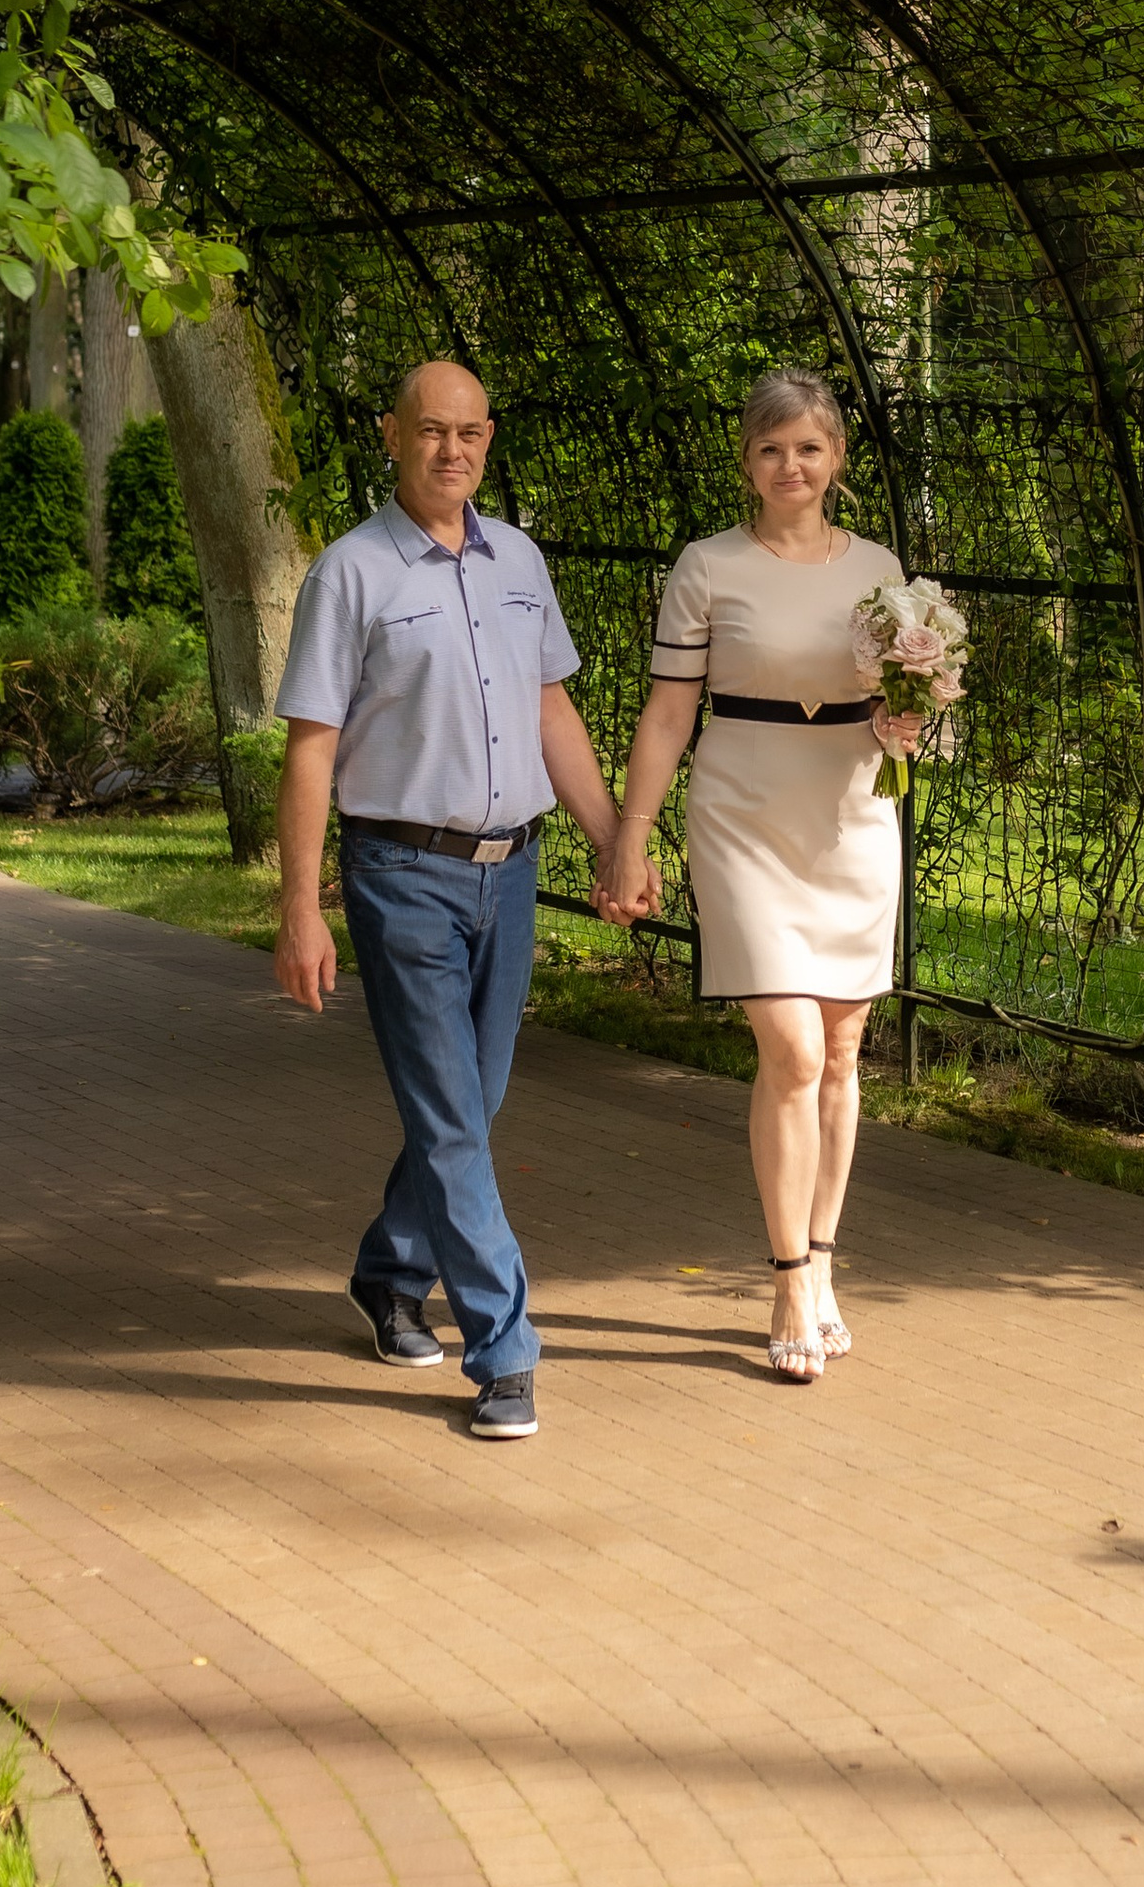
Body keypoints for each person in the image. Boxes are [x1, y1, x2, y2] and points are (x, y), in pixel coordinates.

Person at [273, 358, 624, 1441]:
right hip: (401, 873)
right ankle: (504, 1350)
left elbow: (552, 712)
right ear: (393, 436)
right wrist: (300, 908)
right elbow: (311, 748)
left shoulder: (520, 559)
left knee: (475, 1100)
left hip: (510, 873)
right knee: (449, 1113)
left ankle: (389, 1273)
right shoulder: (351, 573)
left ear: (488, 439)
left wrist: (615, 840)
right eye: (430, 430)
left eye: (469, 432)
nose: (451, 450)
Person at [598, 368, 925, 1382]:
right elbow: (668, 713)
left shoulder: (880, 568)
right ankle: (785, 1278)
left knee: (841, 1050)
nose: (792, 466)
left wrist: (911, 717)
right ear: (747, 462)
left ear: (837, 459)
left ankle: (822, 1261)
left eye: (809, 448)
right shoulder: (708, 566)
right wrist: (630, 835)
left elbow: (899, 699)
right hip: (741, 818)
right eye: (772, 449)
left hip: (852, 819)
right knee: (790, 1048)